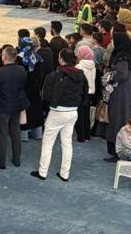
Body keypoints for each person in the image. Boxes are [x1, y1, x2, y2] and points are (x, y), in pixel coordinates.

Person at [31, 48, 88, 182]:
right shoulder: (81, 75)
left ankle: (42, 172)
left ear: (61, 59)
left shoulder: (54, 75)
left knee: (48, 142)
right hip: (73, 112)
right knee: (67, 143)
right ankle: (65, 173)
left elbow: (46, 95)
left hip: (57, 112)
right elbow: (85, 93)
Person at [0, 46, 28, 169]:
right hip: (16, 105)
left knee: (2, 133)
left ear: (4, 57)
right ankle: (17, 159)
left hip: (2, 106)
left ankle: (1, 162)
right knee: (15, 132)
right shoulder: (22, 70)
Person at [105, 33, 131, 159]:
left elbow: (122, 74)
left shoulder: (122, 57)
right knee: (122, 118)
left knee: (119, 119)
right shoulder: (126, 54)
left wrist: (110, 78)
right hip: (125, 90)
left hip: (122, 92)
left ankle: (119, 151)